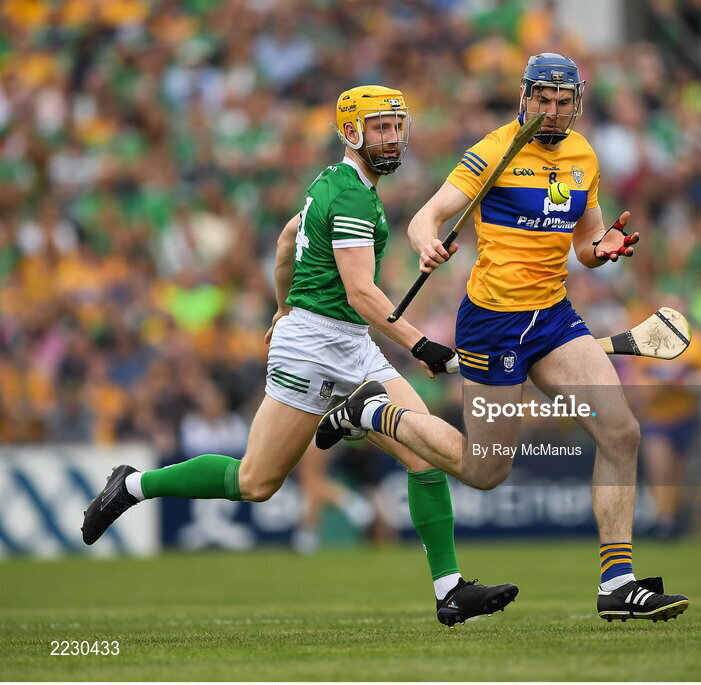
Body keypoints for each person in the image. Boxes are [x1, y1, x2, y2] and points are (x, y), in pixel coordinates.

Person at [82, 85, 518, 627]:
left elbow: (288, 240)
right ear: (350, 133)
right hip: (313, 348)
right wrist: (420, 345)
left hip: (348, 342)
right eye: (379, 127)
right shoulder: (354, 195)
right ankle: (130, 485)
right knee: (255, 483)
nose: (391, 137)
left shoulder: (334, 184)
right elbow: (360, 291)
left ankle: (449, 591)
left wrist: (282, 304)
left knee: (421, 451)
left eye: (396, 126)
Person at [317, 55, 689, 622]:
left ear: (577, 104)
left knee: (622, 431)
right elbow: (428, 215)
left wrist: (603, 249)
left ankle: (617, 583)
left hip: (555, 315)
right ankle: (373, 413)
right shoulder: (495, 150)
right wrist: (426, 244)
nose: (552, 111)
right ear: (525, 97)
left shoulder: (584, 156)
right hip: (494, 320)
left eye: (563, 102)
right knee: (486, 470)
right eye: (543, 99)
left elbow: (585, 242)